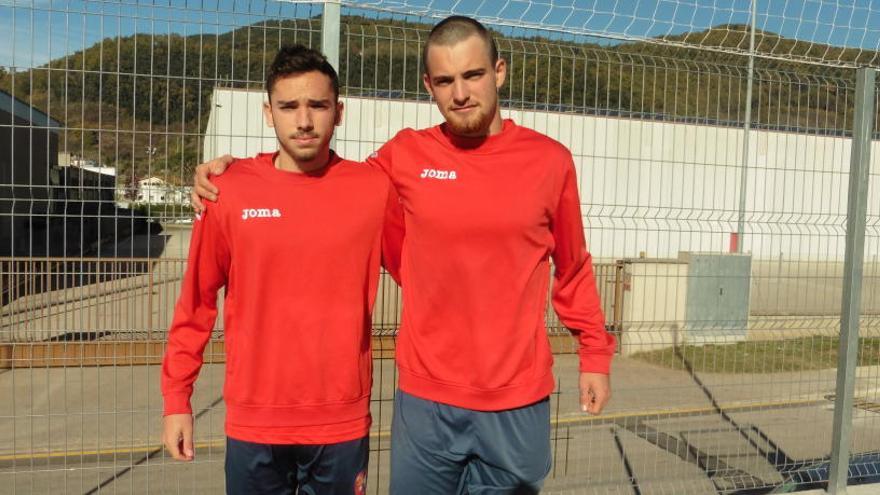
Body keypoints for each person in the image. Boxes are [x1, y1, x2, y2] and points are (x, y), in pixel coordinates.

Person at [191, 16, 616, 494]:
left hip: (517, 401)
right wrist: (232, 173)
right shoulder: (405, 156)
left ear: (499, 72)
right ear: (428, 86)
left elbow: (574, 267)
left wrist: (594, 354)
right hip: (426, 402)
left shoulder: (550, 161)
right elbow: (318, 180)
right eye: (445, 81)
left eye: (472, 75)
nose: (460, 93)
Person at [161, 44, 395, 495]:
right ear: (269, 113)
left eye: (317, 105)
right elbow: (196, 303)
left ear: (339, 111)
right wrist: (177, 400)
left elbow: (427, 270)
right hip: (255, 422)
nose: (303, 121)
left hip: (340, 422)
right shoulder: (226, 191)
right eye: (289, 107)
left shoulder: (374, 189)